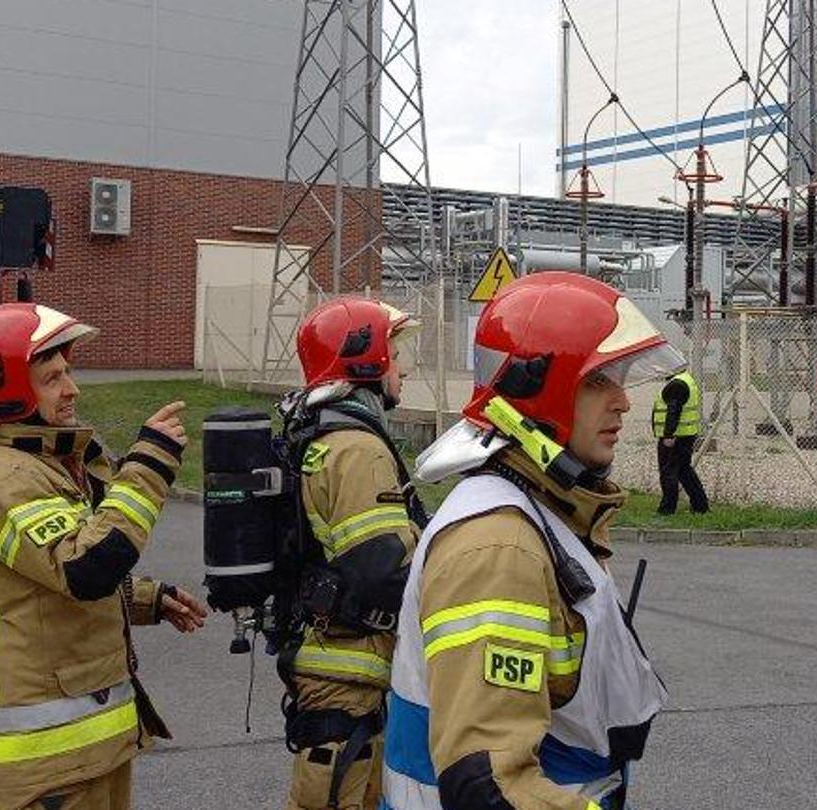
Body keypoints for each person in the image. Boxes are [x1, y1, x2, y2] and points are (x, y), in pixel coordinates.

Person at [380, 272, 676, 809]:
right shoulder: (498, 547)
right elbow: (489, 786)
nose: (623, 403)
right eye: (598, 381)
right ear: (539, 387)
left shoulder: (541, 512)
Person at [0, 302, 210, 810]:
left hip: (84, 745)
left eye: (69, 372)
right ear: (8, 390)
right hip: (51, 757)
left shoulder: (39, 465)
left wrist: (147, 599)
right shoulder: (3, 478)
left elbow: (44, 578)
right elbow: (86, 569)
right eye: (52, 377)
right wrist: (147, 467)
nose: (72, 389)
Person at [277, 297, 427, 810]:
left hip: (337, 666)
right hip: (347, 674)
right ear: (363, 361)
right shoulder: (356, 449)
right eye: (394, 352)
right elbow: (382, 573)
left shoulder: (325, 432)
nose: (402, 368)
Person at [652, 370, 709, 515]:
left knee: (668, 472)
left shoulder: (676, 384)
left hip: (675, 437)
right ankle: (700, 505)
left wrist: (668, 435)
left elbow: (673, 410)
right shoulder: (685, 380)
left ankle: (667, 510)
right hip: (685, 434)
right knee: (684, 471)